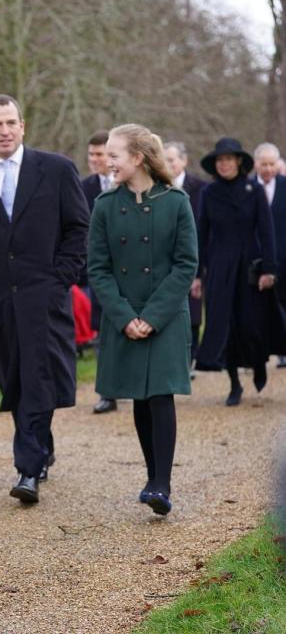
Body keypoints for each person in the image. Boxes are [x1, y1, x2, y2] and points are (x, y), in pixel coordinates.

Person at [0, 94, 89, 503]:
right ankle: (42, 444)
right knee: (14, 379)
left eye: (11, 123)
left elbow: (77, 228)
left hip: (44, 295)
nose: (4, 131)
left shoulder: (55, 169)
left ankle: (27, 469)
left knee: (38, 376)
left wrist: (62, 278)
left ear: (23, 127)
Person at [88, 124, 198, 515]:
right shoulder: (104, 205)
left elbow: (186, 265)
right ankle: (152, 476)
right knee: (139, 392)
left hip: (165, 315)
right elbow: (97, 269)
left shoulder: (176, 202)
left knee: (160, 393)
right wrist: (124, 317)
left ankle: (162, 484)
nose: (108, 161)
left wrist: (152, 316)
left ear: (137, 158)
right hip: (124, 315)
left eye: (114, 155)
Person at [193, 137, 286, 405]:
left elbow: (266, 231)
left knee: (251, 325)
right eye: (220, 160)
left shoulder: (253, 190)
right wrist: (198, 274)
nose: (224, 164)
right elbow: (202, 234)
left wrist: (270, 269)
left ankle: (258, 363)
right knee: (226, 325)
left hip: (250, 266)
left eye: (229, 159)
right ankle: (234, 383)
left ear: (238, 162)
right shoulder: (209, 194)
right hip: (220, 267)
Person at [80, 129, 118, 414]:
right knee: (103, 331)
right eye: (91, 154)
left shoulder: (127, 184)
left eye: (100, 154)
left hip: (128, 267)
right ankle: (107, 391)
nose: (94, 160)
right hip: (96, 270)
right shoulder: (83, 187)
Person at [164, 141, 207, 364]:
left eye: (171, 159)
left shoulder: (200, 188)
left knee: (193, 309)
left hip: (193, 254)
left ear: (184, 161)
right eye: (164, 160)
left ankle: (191, 356)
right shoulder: (156, 187)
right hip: (165, 257)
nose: (167, 164)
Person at [253, 142, 286, 368]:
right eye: (263, 164)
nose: (267, 168)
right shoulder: (247, 188)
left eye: (271, 164)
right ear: (255, 164)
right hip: (255, 259)